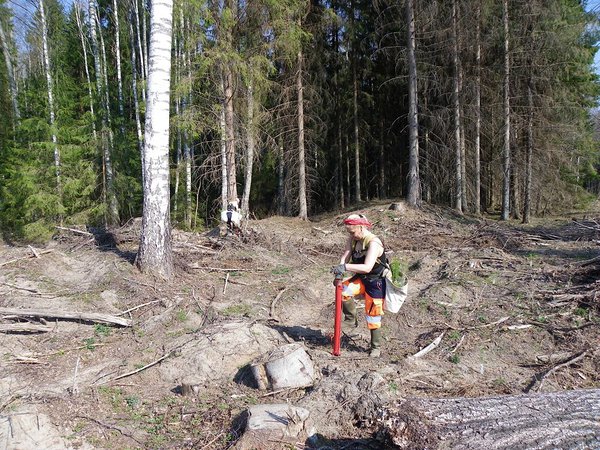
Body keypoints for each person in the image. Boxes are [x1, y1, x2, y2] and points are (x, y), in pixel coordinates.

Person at [332, 214, 388, 358]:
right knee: (343, 290)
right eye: (349, 232)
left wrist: (345, 267)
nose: (351, 235)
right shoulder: (352, 239)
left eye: (353, 232)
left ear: (361, 227)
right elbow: (346, 256)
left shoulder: (373, 243)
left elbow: (367, 267)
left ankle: (375, 347)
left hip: (375, 282)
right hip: (361, 279)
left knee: (373, 315)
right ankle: (351, 320)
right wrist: (339, 273)